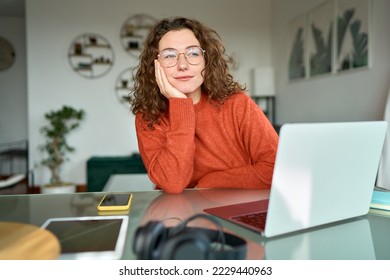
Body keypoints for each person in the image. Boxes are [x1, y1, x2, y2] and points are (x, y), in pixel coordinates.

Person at [130, 17, 278, 194]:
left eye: (193, 53)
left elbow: (276, 169)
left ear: (206, 60)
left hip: (237, 208)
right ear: (156, 66)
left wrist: (210, 182)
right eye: (170, 55)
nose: (183, 65)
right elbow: (172, 183)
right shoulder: (149, 118)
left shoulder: (237, 104)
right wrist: (180, 104)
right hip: (179, 214)